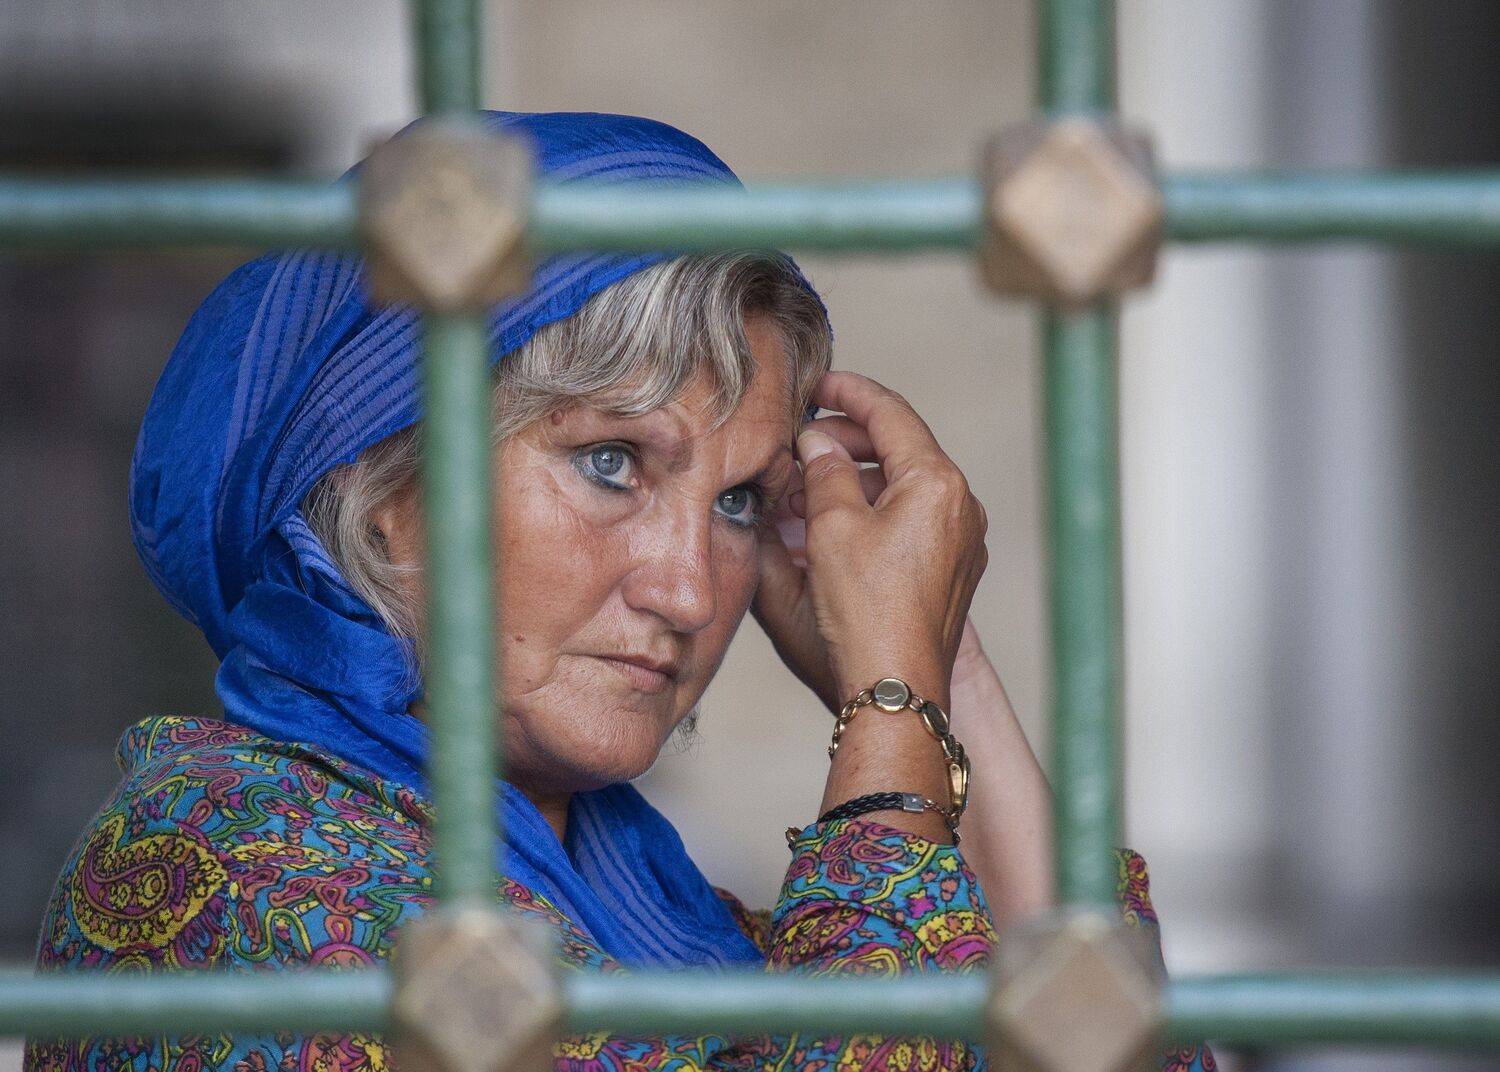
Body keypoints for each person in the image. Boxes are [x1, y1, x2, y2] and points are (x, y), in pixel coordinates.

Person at [27, 111, 1214, 1072]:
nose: (692, 589)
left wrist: (933, 659)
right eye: (610, 463)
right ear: (380, 482)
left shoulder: (649, 906)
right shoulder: (227, 864)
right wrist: (893, 709)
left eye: (740, 501)